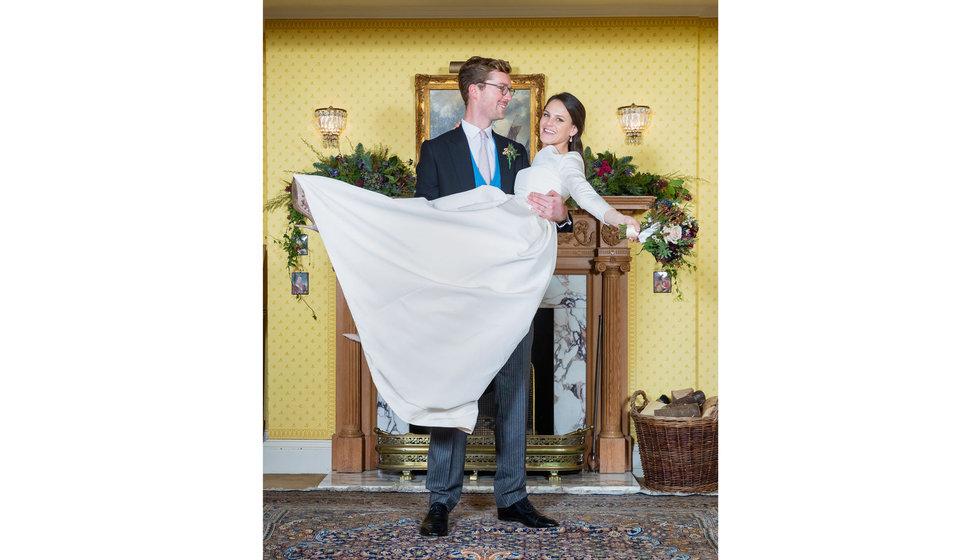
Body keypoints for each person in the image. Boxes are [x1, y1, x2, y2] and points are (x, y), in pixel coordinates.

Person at [290, 58, 641, 537]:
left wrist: (561, 216)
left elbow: (543, 208)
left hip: (511, 293)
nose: (508, 97)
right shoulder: (436, 151)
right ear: (475, 91)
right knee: (451, 386)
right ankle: (441, 499)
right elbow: (425, 222)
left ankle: (513, 497)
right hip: (457, 293)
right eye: (501, 89)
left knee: (516, 390)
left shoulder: (520, 152)